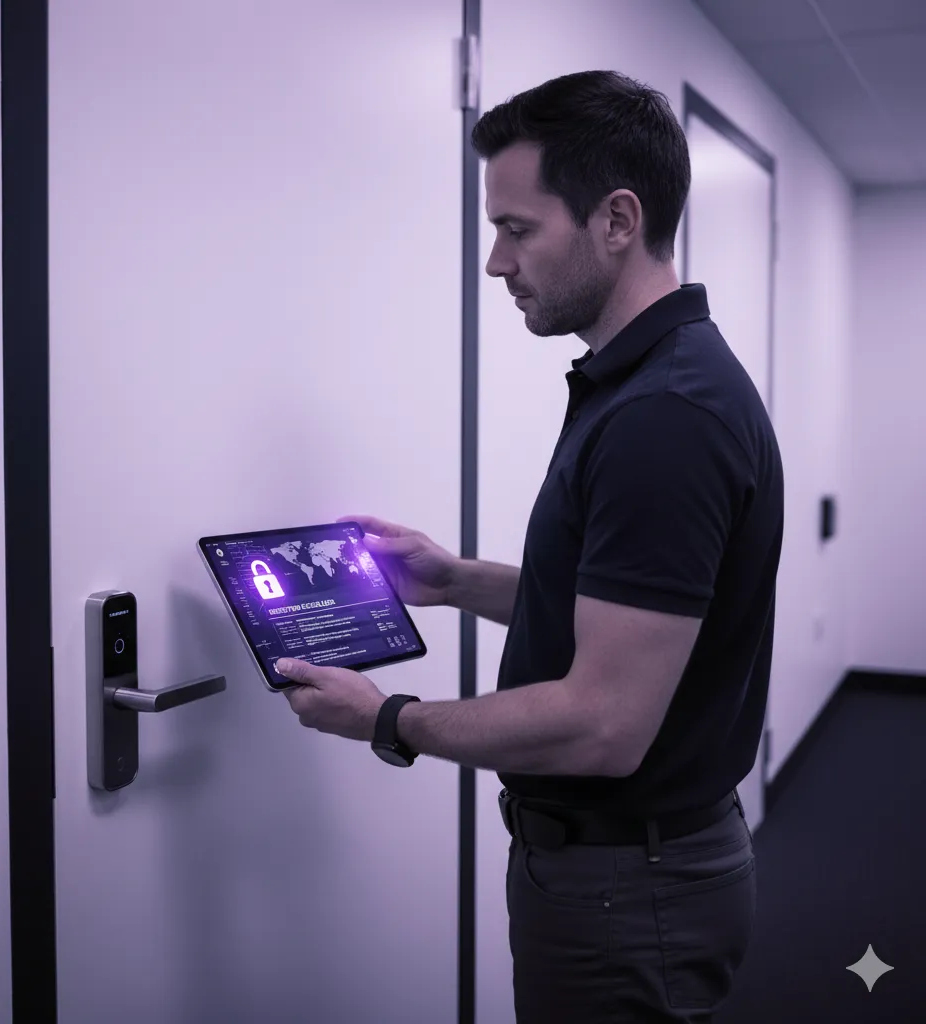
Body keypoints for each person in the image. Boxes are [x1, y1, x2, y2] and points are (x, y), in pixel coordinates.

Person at [276, 69, 784, 1022]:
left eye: (516, 229)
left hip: (628, 893)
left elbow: (603, 719)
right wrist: (459, 580)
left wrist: (388, 720)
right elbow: (629, 614)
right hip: (626, 874)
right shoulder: (648, 384)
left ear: (617, 220)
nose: (495, 263)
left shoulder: (666, 415)